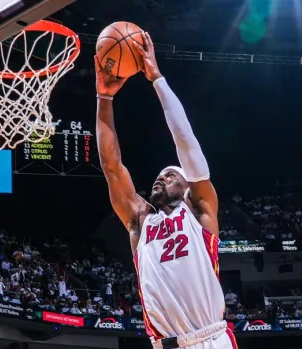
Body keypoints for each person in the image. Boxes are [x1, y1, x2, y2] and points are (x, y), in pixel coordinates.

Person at [95, 32, 238, 349]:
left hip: (210, 338)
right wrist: (104, 98)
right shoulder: (140, 221)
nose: (161, 178)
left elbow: (187, 144)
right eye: (159, 177)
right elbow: (111, 165)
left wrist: (157, 79)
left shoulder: (200, 214)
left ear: (188, 187)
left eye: (171, 175)